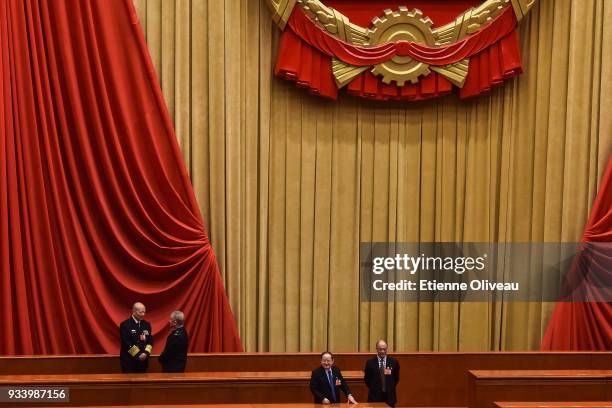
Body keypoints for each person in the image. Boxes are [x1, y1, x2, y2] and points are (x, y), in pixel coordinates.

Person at [364, 339, 400, 407]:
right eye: (380, 349)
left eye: (384, 349)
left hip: (390, 398)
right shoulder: (370, 363)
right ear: (376, 349)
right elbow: (367, 380)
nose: (383, 351)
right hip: (374, 398)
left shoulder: (394, 362)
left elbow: (396, 379)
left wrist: (388, 387)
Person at [119, 302, 153, 373]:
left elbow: (150, 341)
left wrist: (146, 353)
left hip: (143, 362)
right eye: (141, 312)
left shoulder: (147, 325)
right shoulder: (125, 325)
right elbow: (126, 343)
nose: (143, 314)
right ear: (134, 312)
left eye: (144, 312)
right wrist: (138, 355)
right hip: (129, 362)